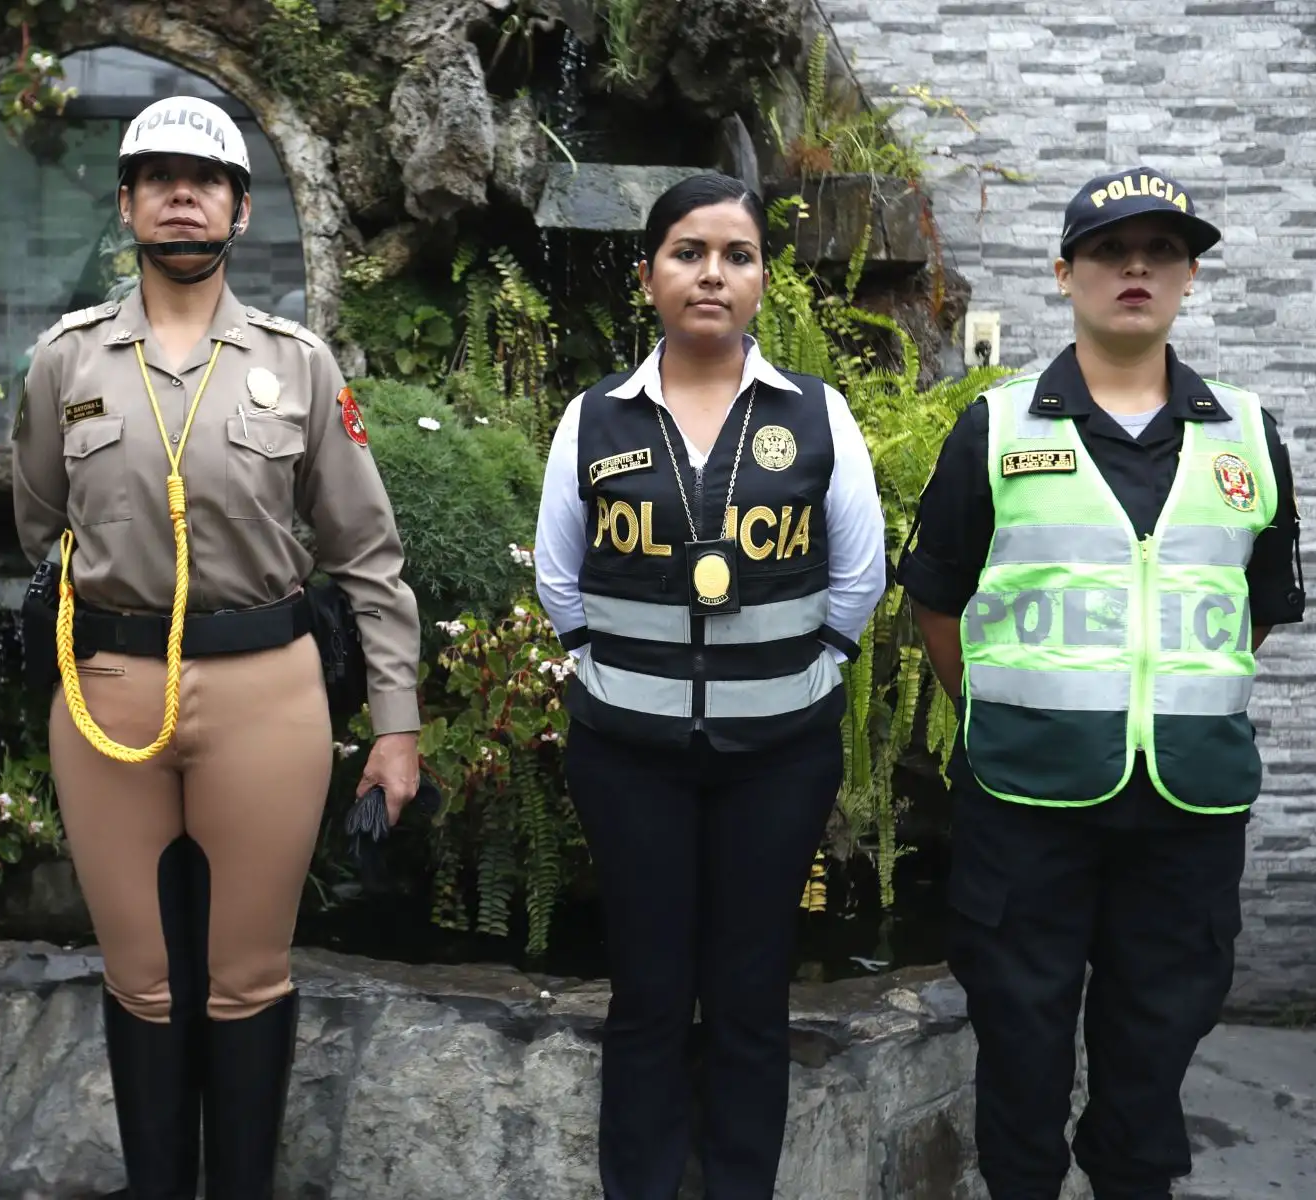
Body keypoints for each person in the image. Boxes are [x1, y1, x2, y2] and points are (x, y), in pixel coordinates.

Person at [9, 94, 421, 1199]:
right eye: (157, 177)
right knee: (141, 976)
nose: (180, 193)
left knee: (245, 974)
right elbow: (36, 513)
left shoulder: (299, 366)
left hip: (266, 692)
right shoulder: (67, 364)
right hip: (109, 691)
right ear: (129, 205)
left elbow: (367, 557)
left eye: (206, 179)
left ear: (241, 212)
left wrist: (395, 727)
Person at [898, 166, 1304, 1200]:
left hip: (1188, 809)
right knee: (1021, 1054)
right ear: (1066, 272)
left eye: (1161, 249)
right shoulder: (994, 430)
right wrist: (1009, 712)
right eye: (1110, 248)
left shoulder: (1250, 437)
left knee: (1154, 1059)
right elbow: (935, 603)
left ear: (1190, 276)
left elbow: (1255, 607)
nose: (1136, 266)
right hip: (1026, 805)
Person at [533, 171, 887, 1200]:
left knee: (747, 997)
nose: (711, 274)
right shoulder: (595, 418)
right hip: (629, 758)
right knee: (646, 993)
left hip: (778, 760)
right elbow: (561, 577)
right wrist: (612, 677)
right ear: (648, 277)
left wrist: (812, 676)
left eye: (736, 255)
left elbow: (857, 575)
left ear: (762, 282)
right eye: (689, 253)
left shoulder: (817, 415)